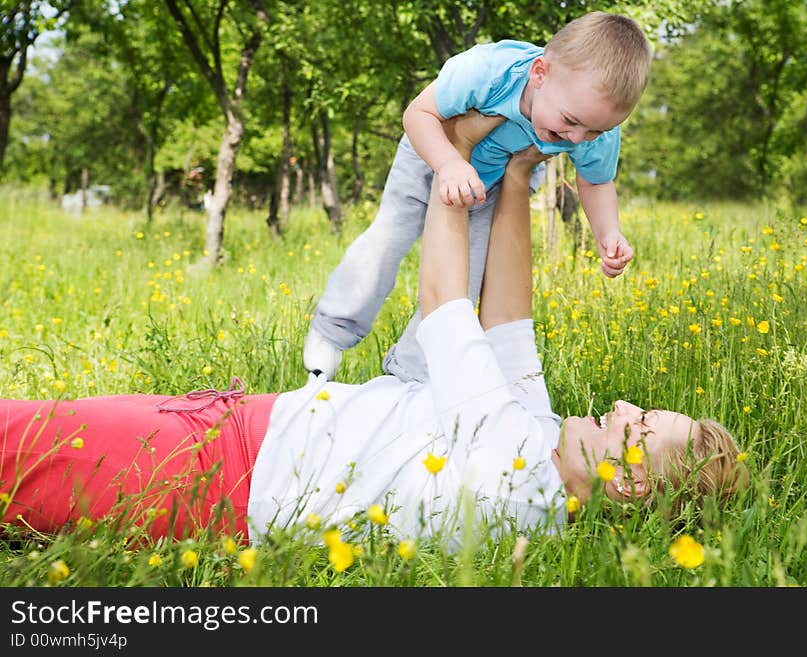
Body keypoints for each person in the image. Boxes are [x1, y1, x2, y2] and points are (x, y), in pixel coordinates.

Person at [0, 113, 747, 548]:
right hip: (246, 432)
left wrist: (450, 157)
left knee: (18, 448)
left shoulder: (515, 464)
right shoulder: (546, 461)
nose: (623, 406)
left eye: (640, 423)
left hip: (220, 474)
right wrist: (516, 173)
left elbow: (447, 302)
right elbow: (508, 319)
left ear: (637, 479)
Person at [304, 11, 651, 383]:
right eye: (570, 121)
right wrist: (449, 163)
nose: (577, 139)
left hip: (489, 189)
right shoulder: (487, 71)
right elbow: (418, 113)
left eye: (595, 131)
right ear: (539, 74)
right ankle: (332, 331)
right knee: (388, 239)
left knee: (462, 284)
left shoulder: (589, 124)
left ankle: (411, 376)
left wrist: (608, 233)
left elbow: (596, 182)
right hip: (430, 155)